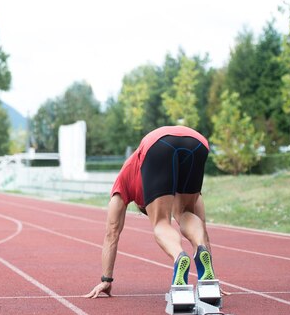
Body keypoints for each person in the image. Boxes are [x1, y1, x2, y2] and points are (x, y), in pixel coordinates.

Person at [85, 125, 217, 299]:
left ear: (142, 205)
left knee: (161, 222)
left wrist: (106, 279)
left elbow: (111, 233)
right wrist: (209, 281)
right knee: (185, 212)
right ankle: (205, 276)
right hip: (198, 142)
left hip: (158, 144)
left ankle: (180, 257)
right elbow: (201, 225)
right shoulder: (171, 181)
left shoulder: (123, 184)